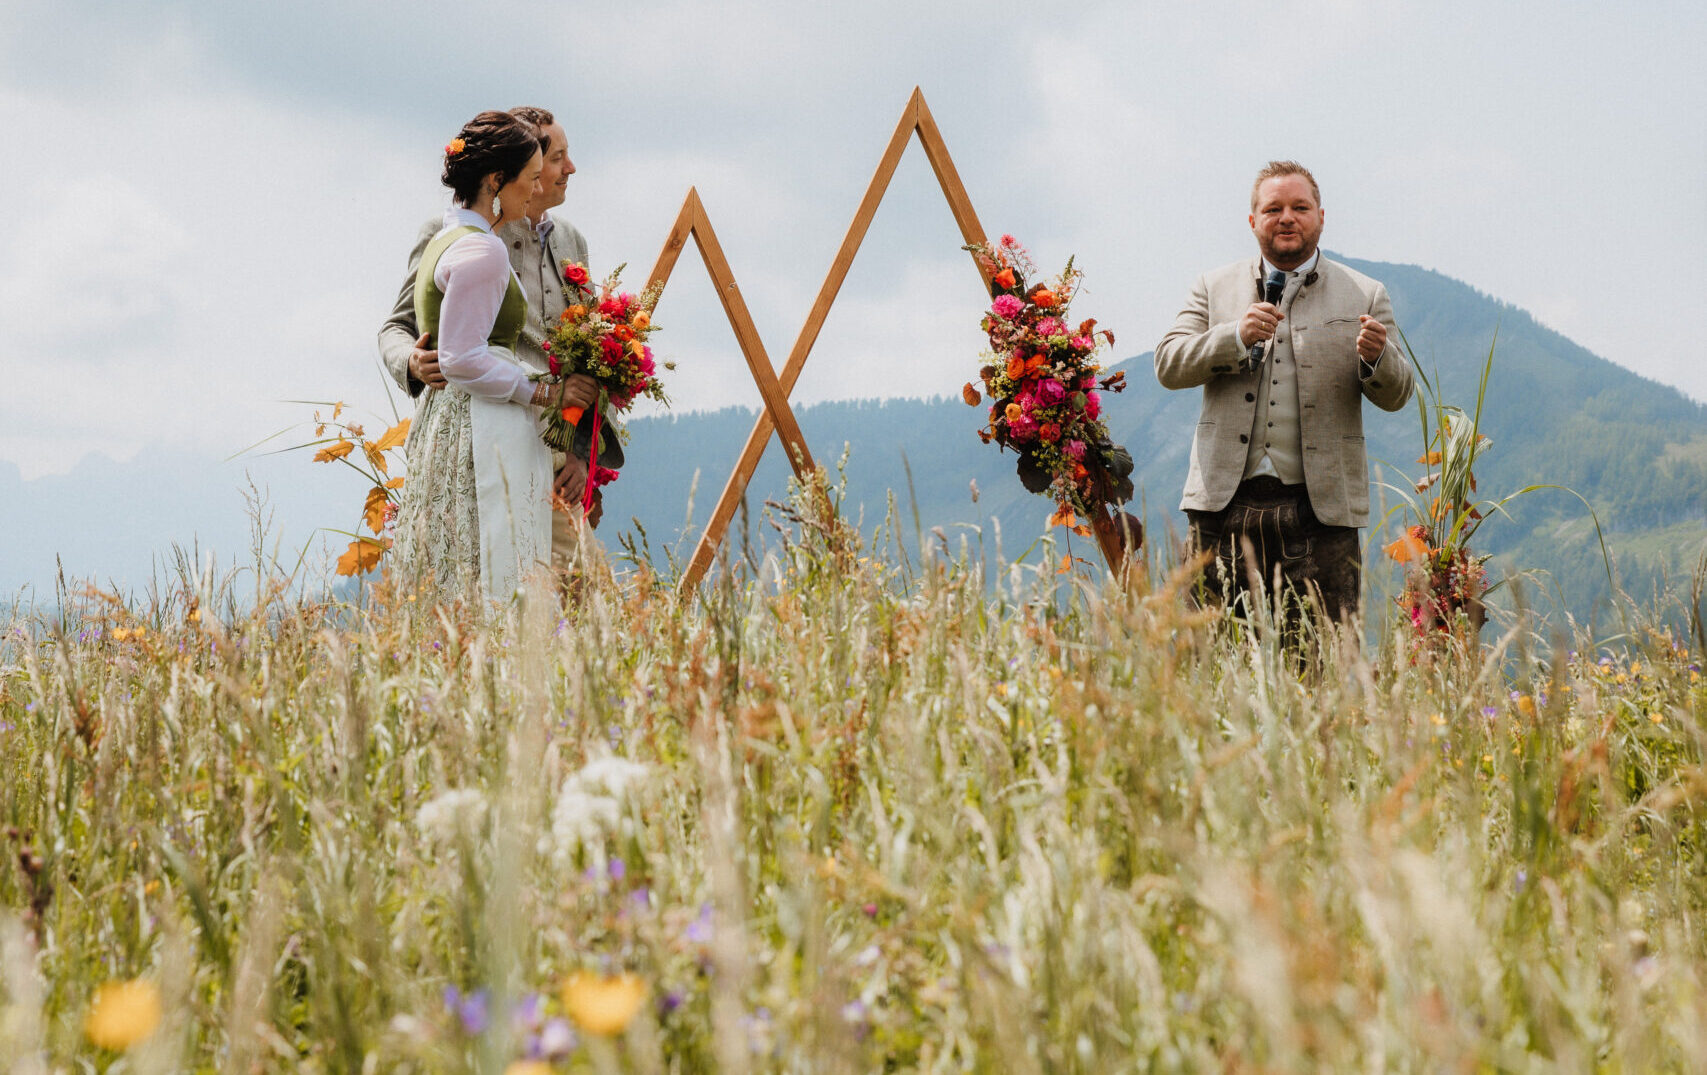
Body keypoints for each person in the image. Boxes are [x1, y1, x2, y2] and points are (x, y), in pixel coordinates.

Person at [1154, 160, 1414, 628]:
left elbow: (1398, 395)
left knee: (1322, 663)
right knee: (1212, 662)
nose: (1287, 217)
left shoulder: (1366, 292)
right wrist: (1234, 336)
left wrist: (1377, 357)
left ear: (1320, 216)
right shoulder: (1212, 287)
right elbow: (1168, 364)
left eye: (1300, 206)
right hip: (1221, 504)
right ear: (1253, 221)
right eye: (1273, 208)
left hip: (1321, 510)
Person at [378, 106, 615, 564]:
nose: (569, 169)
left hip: (557, 448)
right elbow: (399, 328)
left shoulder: (572, 241)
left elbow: (591, 360)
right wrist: (411, 360)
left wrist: (582, 457)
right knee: (529, 584)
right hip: (486, 435)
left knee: (556, 594)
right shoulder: (462, 235)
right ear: (516, 171)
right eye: (555, 158)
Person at [390, 111, 557, 601]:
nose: (534, 190)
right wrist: (538, 391)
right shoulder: (483, 252)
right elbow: (463, 358)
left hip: (446, 420)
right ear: (494, 181)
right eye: (528, 179)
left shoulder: (447, 238)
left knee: (453, 563)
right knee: (493, 563)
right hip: (478, 427)